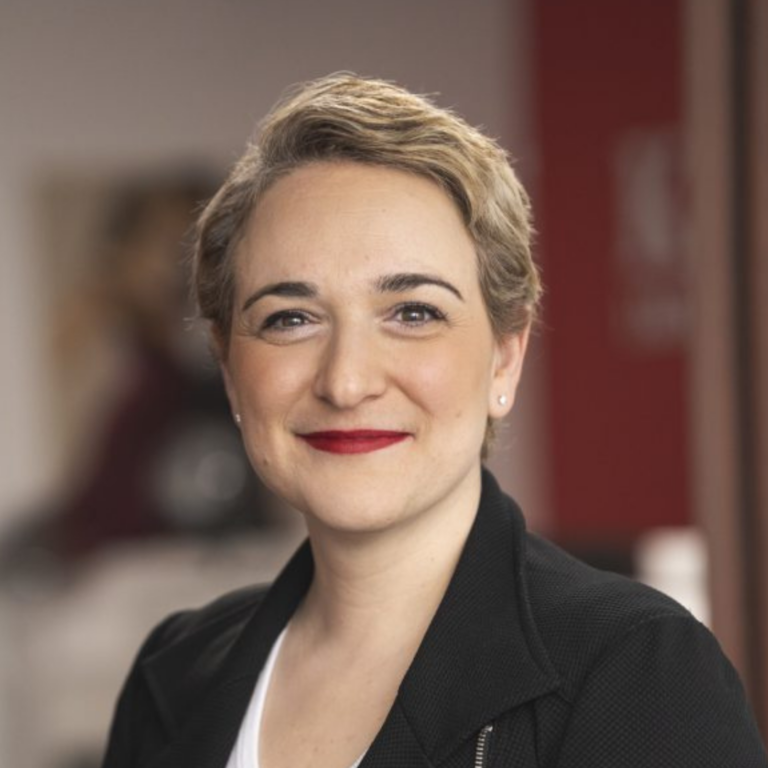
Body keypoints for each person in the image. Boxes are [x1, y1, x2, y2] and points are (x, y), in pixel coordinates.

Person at [101, 74, 768, 768]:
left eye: (413, 313)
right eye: (290, 319)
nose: (347, 380)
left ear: (505, 358)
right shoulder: (175, 675)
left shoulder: (636, 674)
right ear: (229, 368)